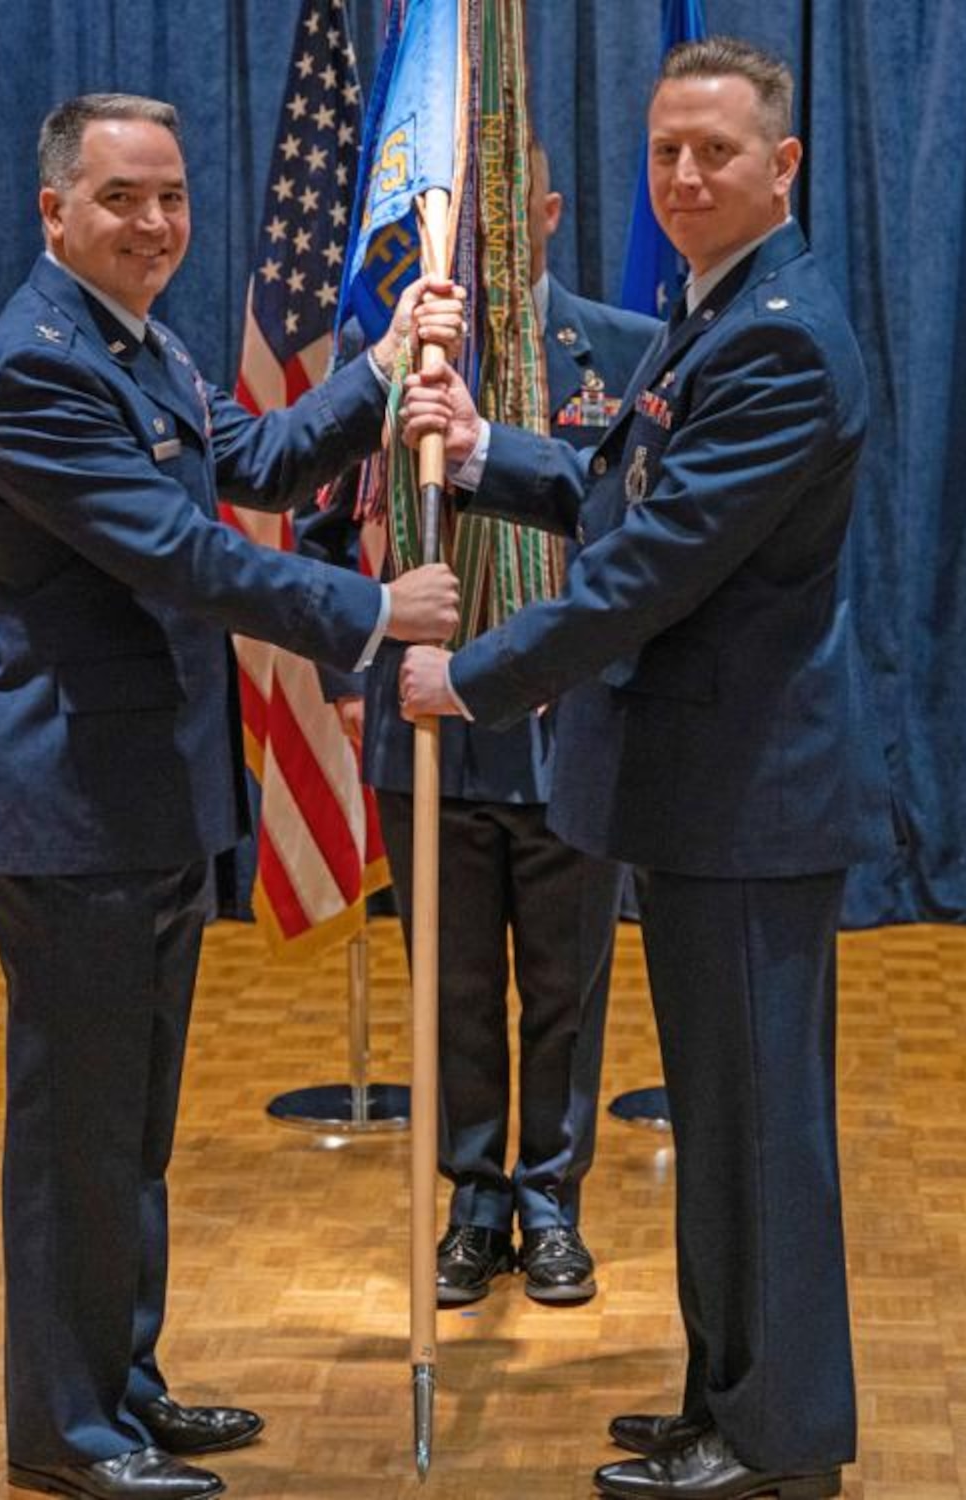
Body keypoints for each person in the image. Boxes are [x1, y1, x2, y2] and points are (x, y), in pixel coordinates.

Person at [0, 94, 461, 1500]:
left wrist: (387, 353)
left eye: (170, 195)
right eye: (121, 198)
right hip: (69, 809)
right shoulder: (39, 371)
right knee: (79, 1133)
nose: (155, 222)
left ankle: (122, 1382)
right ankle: (67, 1431)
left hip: (145, 801)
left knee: (131, 1126)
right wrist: (376, 609)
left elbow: (263, 460)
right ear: (54, 211)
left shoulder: (141, 341)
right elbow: (188, 556)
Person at [399, 37, 892, 1500]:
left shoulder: (781, 332)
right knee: (730, 1127)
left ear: (783, 167)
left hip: (746, 798)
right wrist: (488, 450)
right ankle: (726, 1395)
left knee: (760, 1137)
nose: (684, 176)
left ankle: (781, 1437)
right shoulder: (717, 310)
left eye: (717, 153)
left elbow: (653, 568)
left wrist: (472, 678)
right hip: (704, 795)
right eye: (667, 150)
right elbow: (627, 482)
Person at [303, 137, 660, 1308]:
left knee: (565, 983)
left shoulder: (622, 352)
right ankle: (473, 1198)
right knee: (451, 984)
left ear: (549, 211)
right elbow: (317, 524)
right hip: (430, 729)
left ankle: (551, 1197)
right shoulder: (393, 357)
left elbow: (645, 536)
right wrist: (348, 668)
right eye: (467, 215)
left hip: (569, 729)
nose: (489, 233)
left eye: (509, 207)